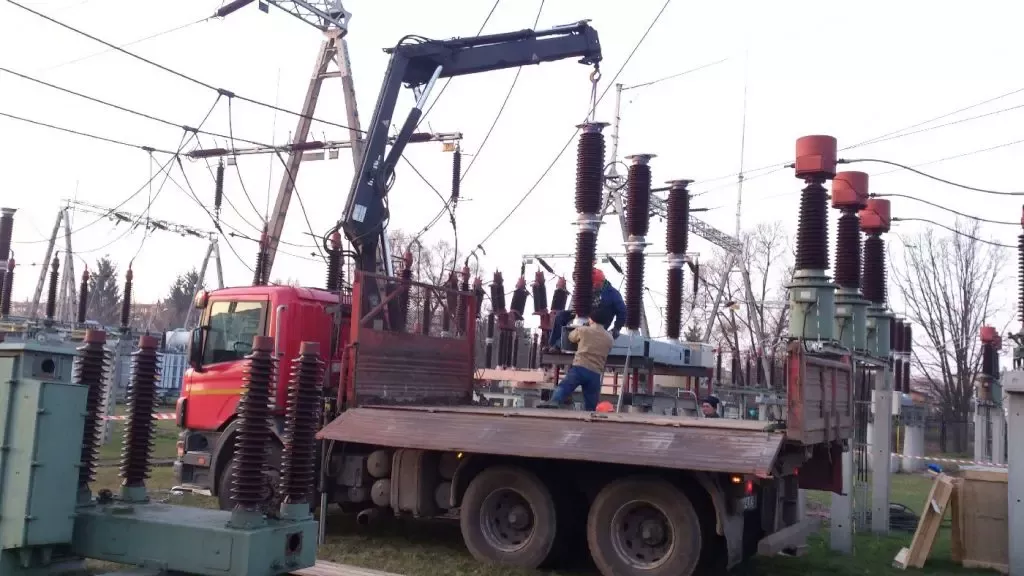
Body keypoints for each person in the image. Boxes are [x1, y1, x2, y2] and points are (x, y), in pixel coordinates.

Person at [539, 319, 614, 411]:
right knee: (591, 403)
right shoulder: (609, 338)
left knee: (565, 386)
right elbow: (609, 349)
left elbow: (571, 336)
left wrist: (582, 327)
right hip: (595, 372)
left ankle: (555, 401)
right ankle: (590, 414)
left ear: (592, 319)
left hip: (580, 367)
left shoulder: (584, 330)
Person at [547, 268, 626, 350]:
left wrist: (617, 328)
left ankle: (561, 345)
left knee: (582, 329)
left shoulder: (613, 294)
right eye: (592, 285)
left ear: (602, 282)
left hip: (600, 321)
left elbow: (622, 311)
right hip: (585, 314)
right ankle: (553, 344)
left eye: (595, 285)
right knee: (561, 316)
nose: (593, 287)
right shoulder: (589, 289)